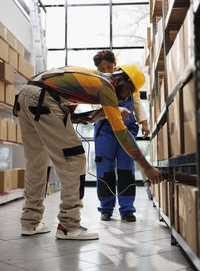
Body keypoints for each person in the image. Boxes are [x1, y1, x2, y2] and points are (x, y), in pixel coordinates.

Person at [14, 65, 163, 240]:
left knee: (37, 162)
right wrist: (147, 168)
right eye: (129, 92)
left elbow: (69, 117)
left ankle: (30, 222)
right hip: (43, 99)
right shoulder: (107, 86)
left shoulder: (88, 80)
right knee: (75, 159)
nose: (127, 97)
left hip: (26, 97)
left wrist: (97, 115)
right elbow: (122, 133)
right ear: (121, 80)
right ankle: (69, 225)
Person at [93, 50, 149, 222]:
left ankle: (127, 209)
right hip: (105, 130)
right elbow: (97, 109)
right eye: (102, 68)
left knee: (126, 168)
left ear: (115, 66)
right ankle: (106, 208)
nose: (107, 71)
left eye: (109, 67)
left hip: (128, 129)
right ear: (97, 69)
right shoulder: (97, 85)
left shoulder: (128, 82)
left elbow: (137, 103)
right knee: (105, 168)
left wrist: (144, 122)